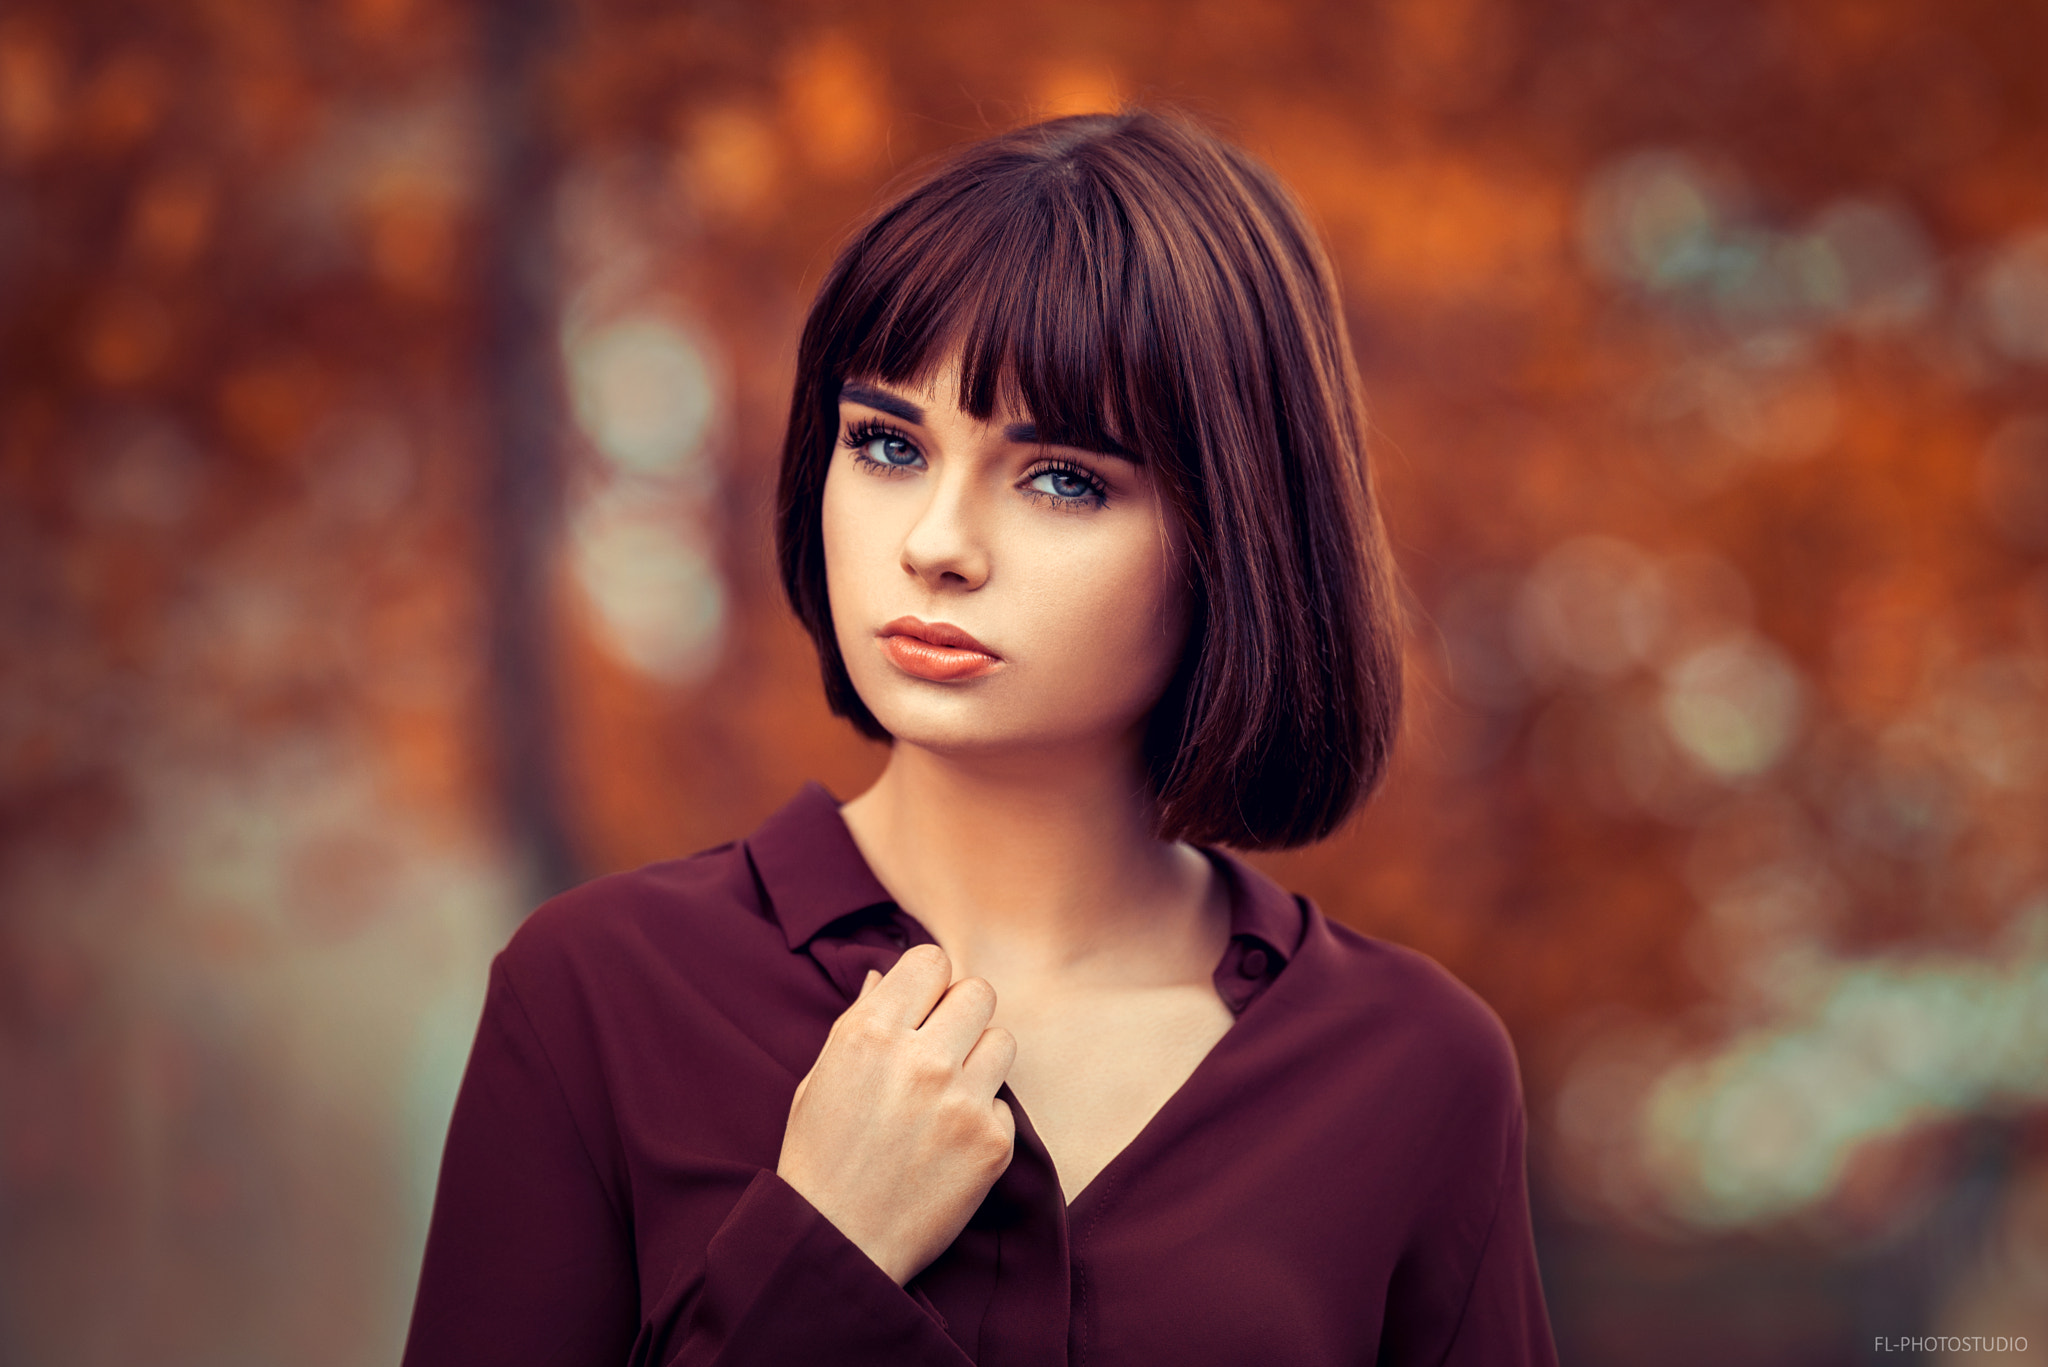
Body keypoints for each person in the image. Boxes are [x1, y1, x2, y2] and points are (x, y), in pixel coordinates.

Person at [403, 108, 1558, 1366]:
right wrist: (819, 1248)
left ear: (1236, 534)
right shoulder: (597, 992)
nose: (935, 543)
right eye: (886, 444)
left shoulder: (1415, 1068)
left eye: (1061, 476)